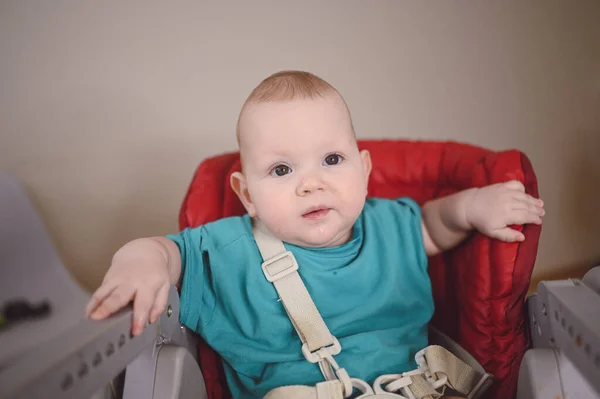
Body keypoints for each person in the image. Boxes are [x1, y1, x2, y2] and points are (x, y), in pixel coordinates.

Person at [85, 71, 545, 398]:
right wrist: (141, 258)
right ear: (247, 195)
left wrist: (471, 206)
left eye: (331, 160)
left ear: (364, 171)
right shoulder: (226, 251)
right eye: (282, 169)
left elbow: (433, 224)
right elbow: (169, 253)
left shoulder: (392, 225)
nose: (312, 183)